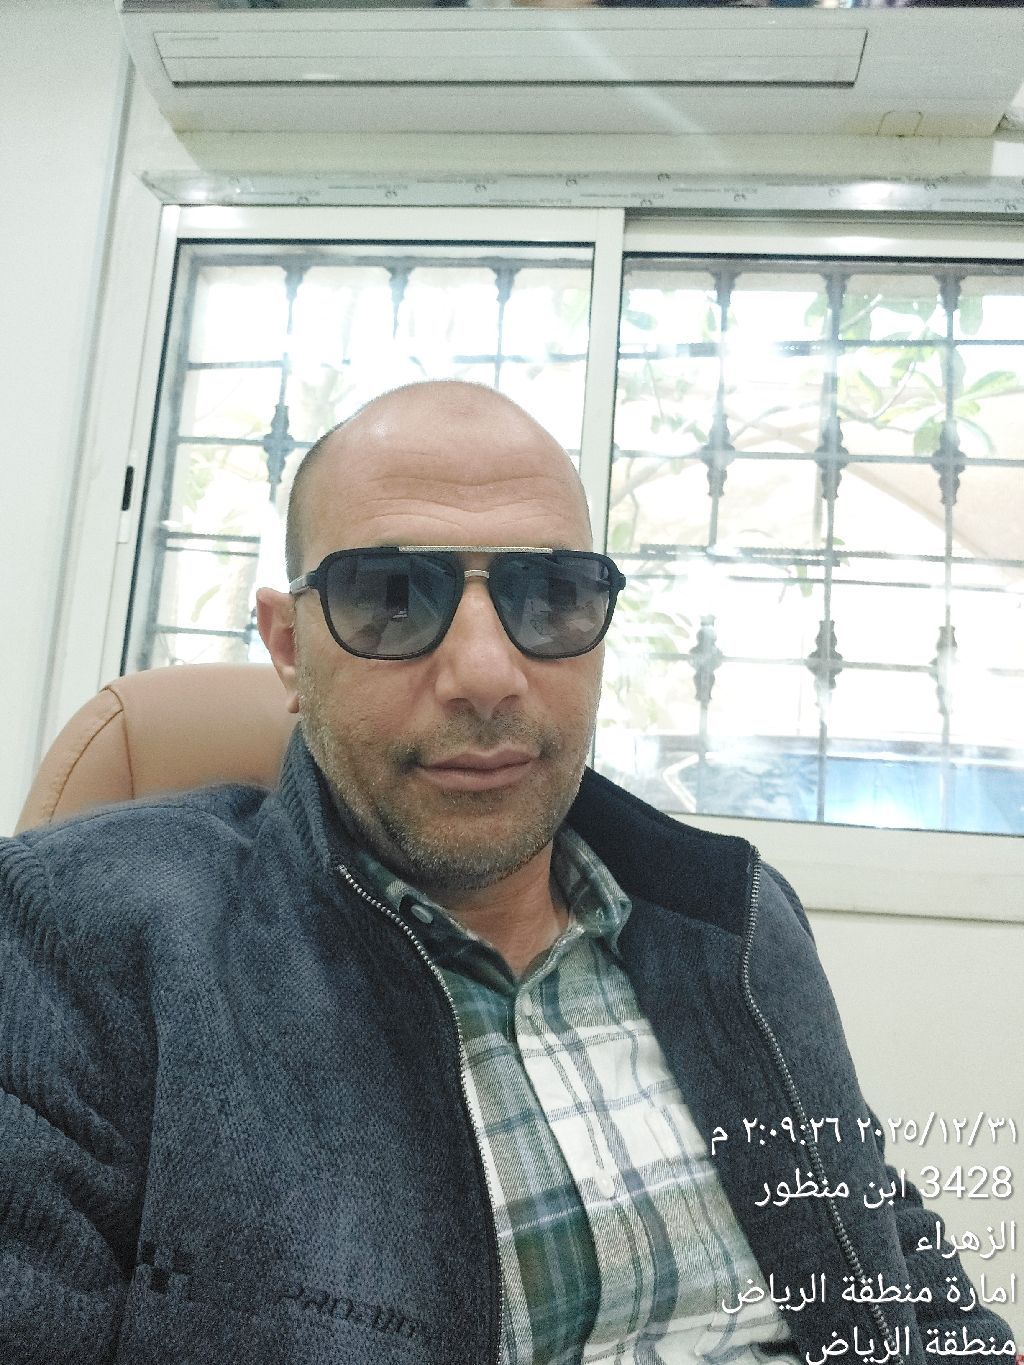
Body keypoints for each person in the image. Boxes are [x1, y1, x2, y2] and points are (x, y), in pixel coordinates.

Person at [0, 381, 1011, 1365]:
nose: (486, 675)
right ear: (289, 648)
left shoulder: (735, 918)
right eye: (392, 597)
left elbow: (877, 1234)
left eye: (551, 594)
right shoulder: (84, 940)